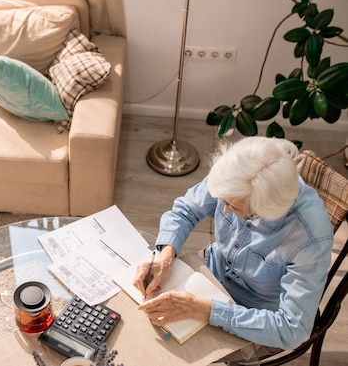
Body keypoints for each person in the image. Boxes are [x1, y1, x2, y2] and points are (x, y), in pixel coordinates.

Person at [133, 137, 333, 361]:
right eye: (223, 201)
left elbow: (292, 329)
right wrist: (165, 254)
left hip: (253, 315)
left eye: (234, 207)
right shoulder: (240, 170)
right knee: (137, 328)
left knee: (168, 358)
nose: (223, 210)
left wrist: (207, 310)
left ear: (264, 211)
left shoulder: (311, 238)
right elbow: (187, 209)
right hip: (210, 271)